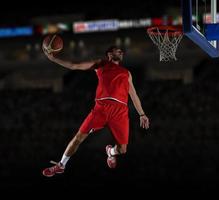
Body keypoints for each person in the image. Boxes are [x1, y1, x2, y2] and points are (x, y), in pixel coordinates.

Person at [42, 45, 150, 177]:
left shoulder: (126, 73)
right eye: (117, 50)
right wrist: (54, 59)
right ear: (109, 54)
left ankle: (110, 152)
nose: (121, 52)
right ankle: (61, 165)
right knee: (78, 137)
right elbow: (74, 65)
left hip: (120, 111)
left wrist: (142, 114)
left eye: (121, 51)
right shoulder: (100, 64)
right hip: (101, 108)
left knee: (122, 150)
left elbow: (133, 95)